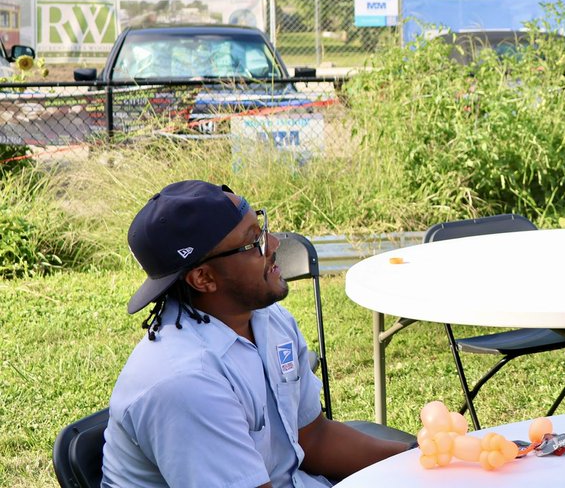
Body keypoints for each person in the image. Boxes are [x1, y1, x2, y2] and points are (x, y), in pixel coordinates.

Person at [103, 180, 411, 487]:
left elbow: (313, 438)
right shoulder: (186, 381)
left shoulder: (267, 319)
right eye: (254, 242)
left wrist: (417, 458)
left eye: (261, 228)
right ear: (204, 277)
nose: (275, 243)